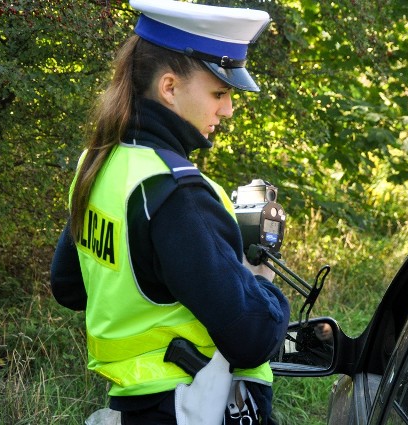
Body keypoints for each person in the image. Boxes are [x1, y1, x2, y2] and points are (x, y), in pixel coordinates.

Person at [49, 1, 290, 424]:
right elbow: (252, 338)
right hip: (190, 406)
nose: (228, 110)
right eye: (220, 93)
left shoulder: (99, 164)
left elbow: (69, 285)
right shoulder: (178, 193)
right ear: (169, 88)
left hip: (135, 408)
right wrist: (262, 283)